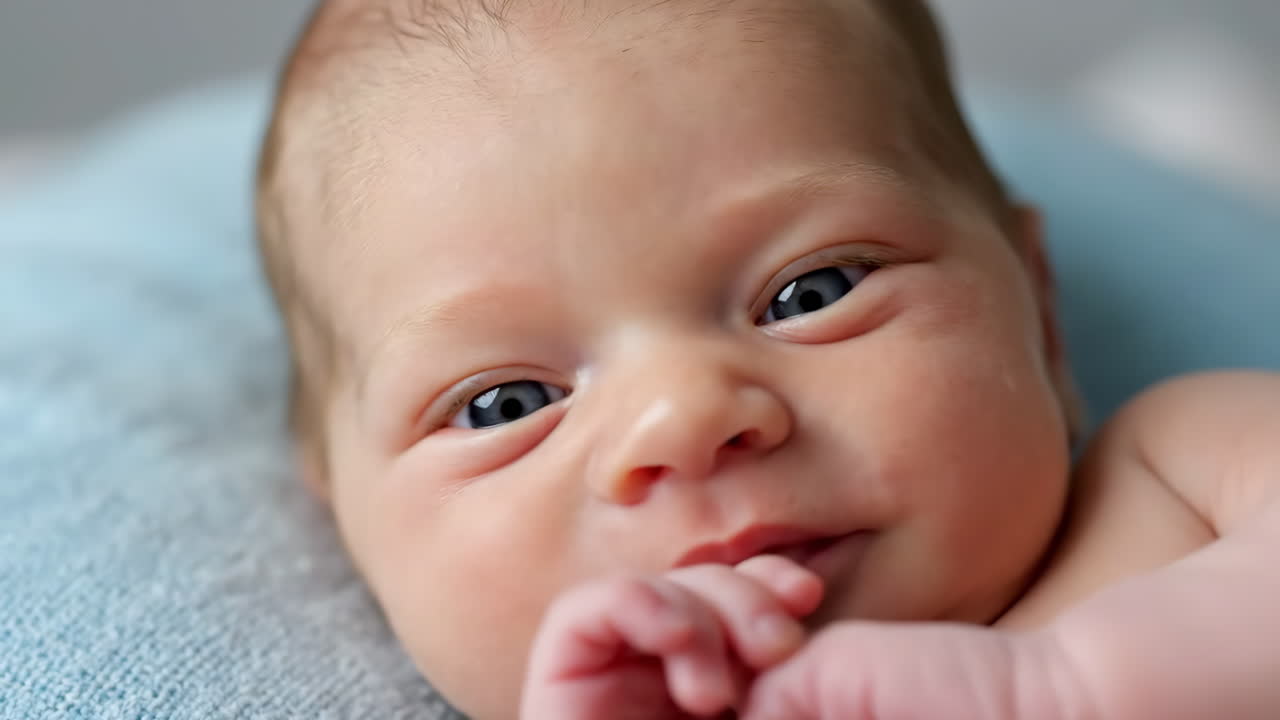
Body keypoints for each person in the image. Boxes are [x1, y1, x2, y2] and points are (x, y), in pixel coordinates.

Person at [254, 0, 1280, 717]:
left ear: (1038, 314)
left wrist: (1065, 690)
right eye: (505, 403)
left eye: (812, 292)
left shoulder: (1173, 472)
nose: (683, 418)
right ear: (346, 526)